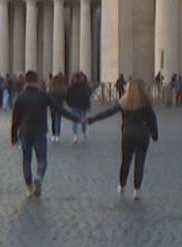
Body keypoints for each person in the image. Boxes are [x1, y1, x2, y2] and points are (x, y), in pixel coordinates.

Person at [9, 71, 80, 199]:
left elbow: (15, 120)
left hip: (25, 132)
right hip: (40, 131)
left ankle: (29, 188)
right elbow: (60, 110)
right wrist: (77, 119)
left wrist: (13, 136)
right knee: (42, 158)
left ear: (25, 81)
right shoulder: (43, 96)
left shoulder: (20, 97)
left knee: (26, 159)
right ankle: (39, 177)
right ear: (37, 81)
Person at [86, 77, 160, 199]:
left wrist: (92, 120)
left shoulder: (125, 102)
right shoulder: (145, 102)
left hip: (128, 133)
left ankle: (122, 185)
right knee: (139, 162)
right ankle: (137, 190)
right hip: (142, 133)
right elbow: (152, 120)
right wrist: (155, 135)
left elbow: (108, 112)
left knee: (125, 161)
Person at [65, 72, 93, 144]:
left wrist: (69, 104)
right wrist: (88, 106)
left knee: (75, 121)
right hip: (82, 106)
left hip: (74, 106)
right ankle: (83, 134)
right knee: (83, 120)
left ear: (74, 79)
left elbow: (67, 97)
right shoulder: (85, 87)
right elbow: (87, 96)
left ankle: (75, 136)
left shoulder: (71, 87)